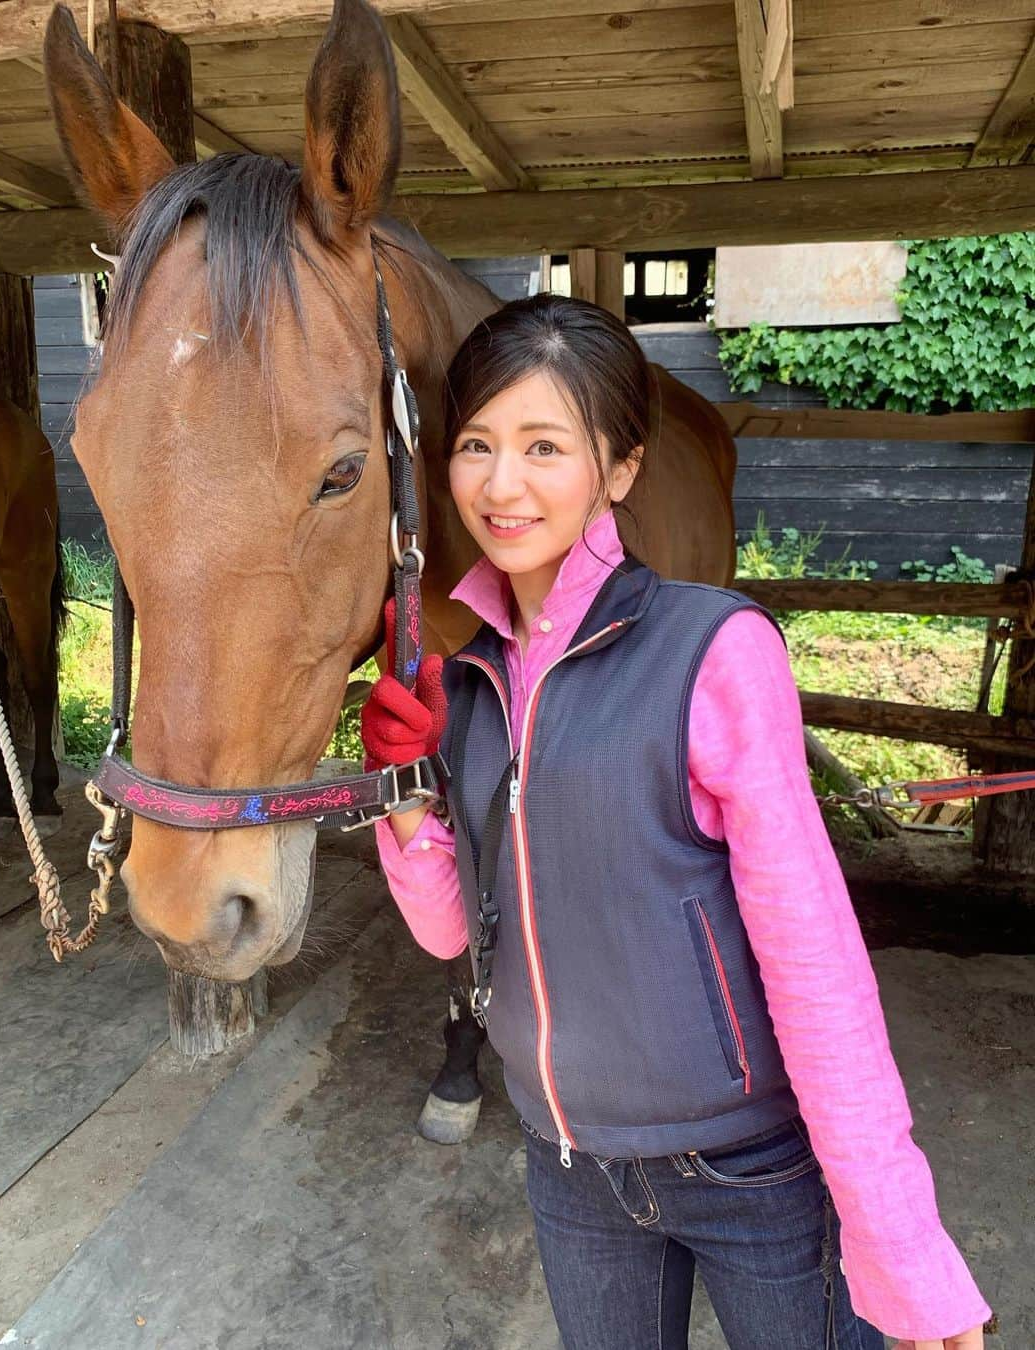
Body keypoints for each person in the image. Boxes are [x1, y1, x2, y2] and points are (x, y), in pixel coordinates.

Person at [359, 294, 991, 1350]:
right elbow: (450, 936)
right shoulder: (466, 681)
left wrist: (900, 1244)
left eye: (544, 446)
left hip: (746, 1167)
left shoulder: (714, 651)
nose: (500, 484)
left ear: (619, 470)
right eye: (475, 444)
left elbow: (816, 964)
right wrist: (408, 794)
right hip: (570, 1169)